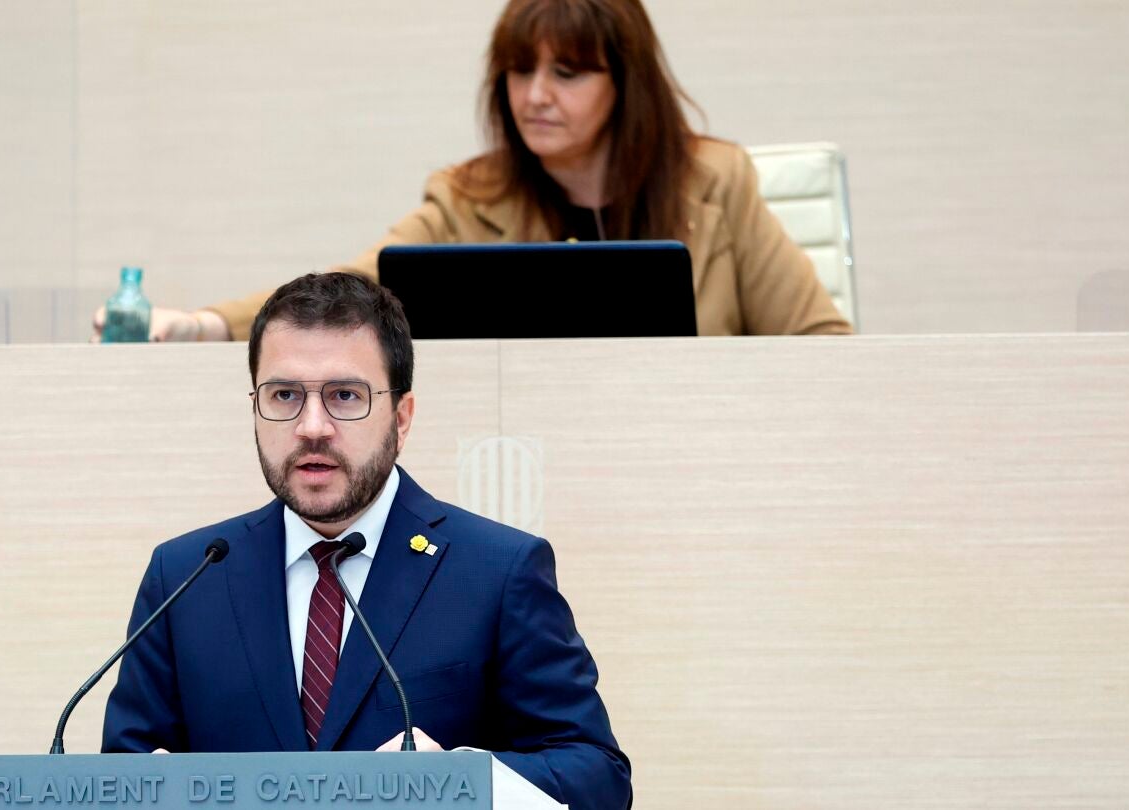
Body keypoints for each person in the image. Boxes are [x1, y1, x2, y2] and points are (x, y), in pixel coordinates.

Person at [101, 272, 632, 810]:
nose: (312, 427)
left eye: (345, 396)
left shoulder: (497, 571)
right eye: (284, 395)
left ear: (401, 418)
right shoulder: (187, 575)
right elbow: (122, 772)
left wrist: (462, 781)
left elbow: (598, 774)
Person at [96, 0, 851, 342]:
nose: (535, 95)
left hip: (694, 460)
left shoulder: (717, 182)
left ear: (627, 86)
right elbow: (347, 291)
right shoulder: (467, 197)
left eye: (567, 73)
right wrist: (204, 326)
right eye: (520, 71)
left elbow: (821, 344)